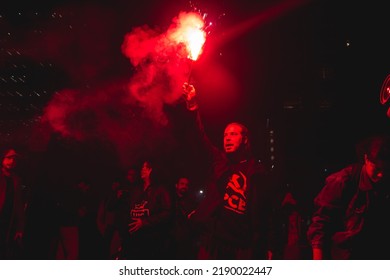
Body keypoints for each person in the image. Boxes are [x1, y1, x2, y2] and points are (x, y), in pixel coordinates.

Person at [182, 83, 275, 260]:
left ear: (245, 139)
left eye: (233, 134)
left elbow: (266, 212)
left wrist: (268, 245)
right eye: (225, 135)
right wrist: (193, 106)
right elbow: (199, 137)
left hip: (241, 247)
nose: (227, 138)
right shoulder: (220, 162)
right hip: (213, 241)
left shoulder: (257, 172)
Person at [307, 135, 390, 259]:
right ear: (366, 158)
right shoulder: (343, 181)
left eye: (386, 169)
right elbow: (320, 223)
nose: (381, 174)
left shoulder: (385, 184)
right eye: (377, 168)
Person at [119, 160, 173, 259]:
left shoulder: (161, 190)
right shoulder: (136, 190)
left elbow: (167, 212)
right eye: (142, 167)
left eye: (146, 168)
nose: (142, 170)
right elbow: (128, 211)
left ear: (152, 170)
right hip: (133, 240)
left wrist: (145, 222)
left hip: (151, 240)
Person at [0, 147, 25, 259]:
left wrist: (19, 227)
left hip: (7, 223)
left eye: (14, 159)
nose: (12, 161)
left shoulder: (15, 180)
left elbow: (18, 205)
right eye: (9, 158)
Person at [172, 176, 199, 259]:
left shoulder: (192, 200)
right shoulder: (170, 199)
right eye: (182, 184)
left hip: (186, 238)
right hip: (171, 237)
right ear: (176, 185)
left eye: (186, 185)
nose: (184, 186)